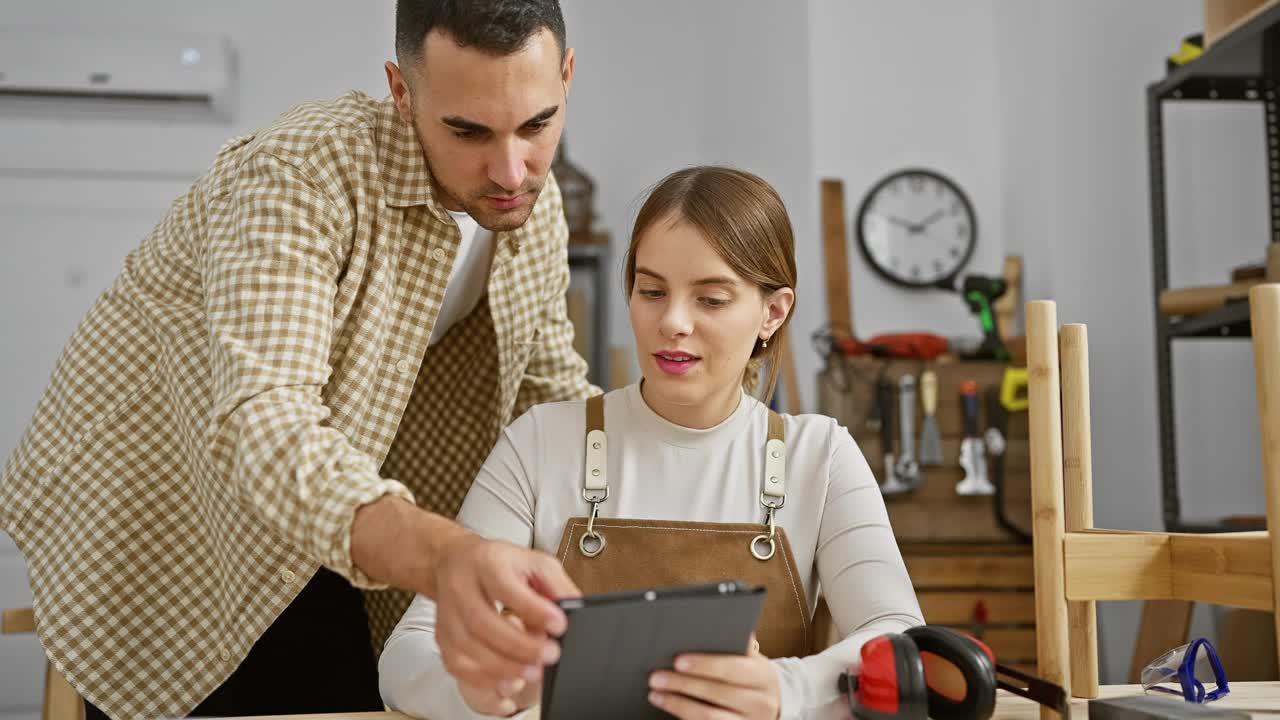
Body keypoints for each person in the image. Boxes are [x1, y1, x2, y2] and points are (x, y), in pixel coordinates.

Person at [0, 1, 598, 718]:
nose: (510, 169)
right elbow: (266, 418)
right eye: (467, 130)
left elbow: (549, 395)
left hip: (339, 508)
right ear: (402, 94)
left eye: (536, 124)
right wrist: (446, 555)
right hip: (171, 511)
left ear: (565, 78)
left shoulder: (537, 203)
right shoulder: (299, 175)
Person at [378, 166, 925, 720]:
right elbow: (407, 654)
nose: (673, 322)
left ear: (773, 312)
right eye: (652, 291)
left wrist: (790, 689)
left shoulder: (822, 457)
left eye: (710, 299)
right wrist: (494, 696)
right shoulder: (541, 442)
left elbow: (902, 641)